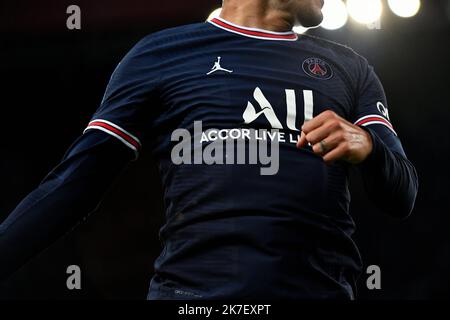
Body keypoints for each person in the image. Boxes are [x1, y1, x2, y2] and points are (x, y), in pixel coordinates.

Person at [0, 0, 418, 299]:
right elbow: (75, 184)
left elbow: (403, 196)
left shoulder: (350, 68)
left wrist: (372, 148)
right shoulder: (160, 54)